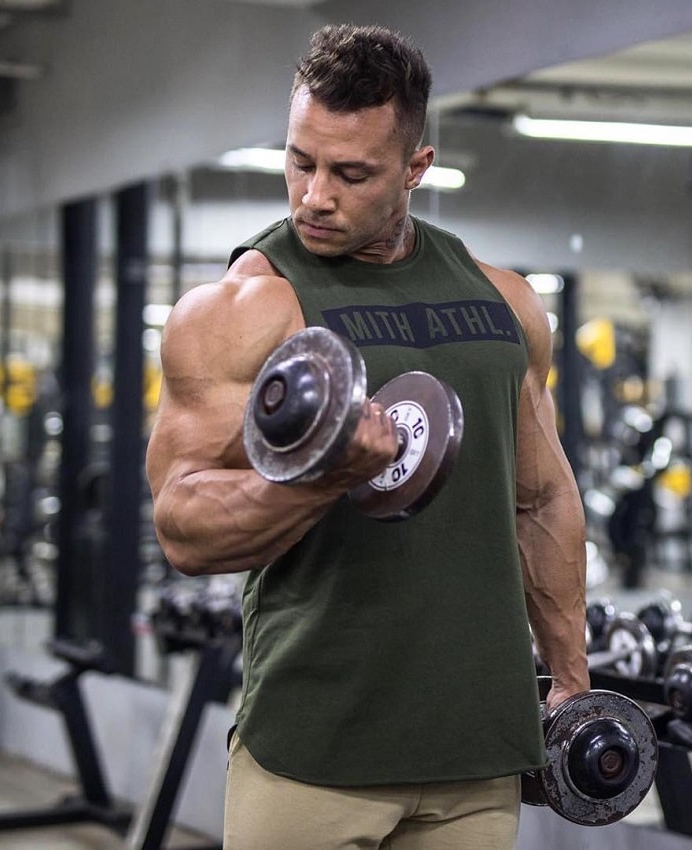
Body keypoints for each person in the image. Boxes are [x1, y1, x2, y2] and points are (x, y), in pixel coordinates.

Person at [146, 22, 589, 850]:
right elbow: (183, 526)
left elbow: (542, 497)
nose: (315, 195)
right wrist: (318, 477)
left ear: (417, 168)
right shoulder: (242, 311)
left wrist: (570, 675)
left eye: (352, 173)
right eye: (300, 161)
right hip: (314, 753)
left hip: (477, 756)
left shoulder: (505, 304)